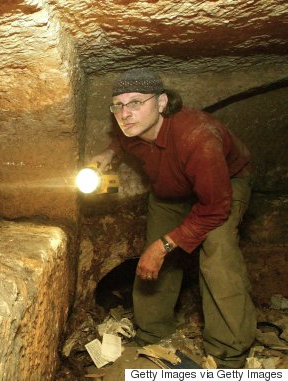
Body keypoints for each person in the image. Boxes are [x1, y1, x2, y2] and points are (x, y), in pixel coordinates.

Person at [90, 68, 256, 368]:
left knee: (218, 253)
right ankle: (153, 331)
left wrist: (163, 245)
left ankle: (229, 352)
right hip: (171, 190)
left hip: (223, 187)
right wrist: (109, 153)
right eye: (118, 105)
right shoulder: (131, 127)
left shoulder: (198, 138)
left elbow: (215, 207)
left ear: (162, 102)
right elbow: (121, 138)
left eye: (136, 102)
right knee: (154, 255)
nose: (125, 114)